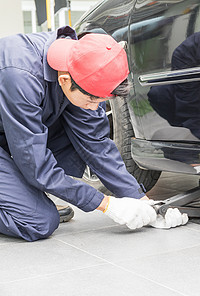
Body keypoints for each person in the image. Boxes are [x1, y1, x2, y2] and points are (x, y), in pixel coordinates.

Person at [0, 26, 188, 242]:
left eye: (101, 101)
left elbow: (96, 143)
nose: (94, 107)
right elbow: (35, 165)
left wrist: (144, 202)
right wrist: (106, 204)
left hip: (10, 131)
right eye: (92, 100)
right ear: (64, 81)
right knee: (37, 221)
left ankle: (20, 196)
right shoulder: (21, 76)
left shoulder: (83, 68)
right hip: (12, 128)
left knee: (79, 131)